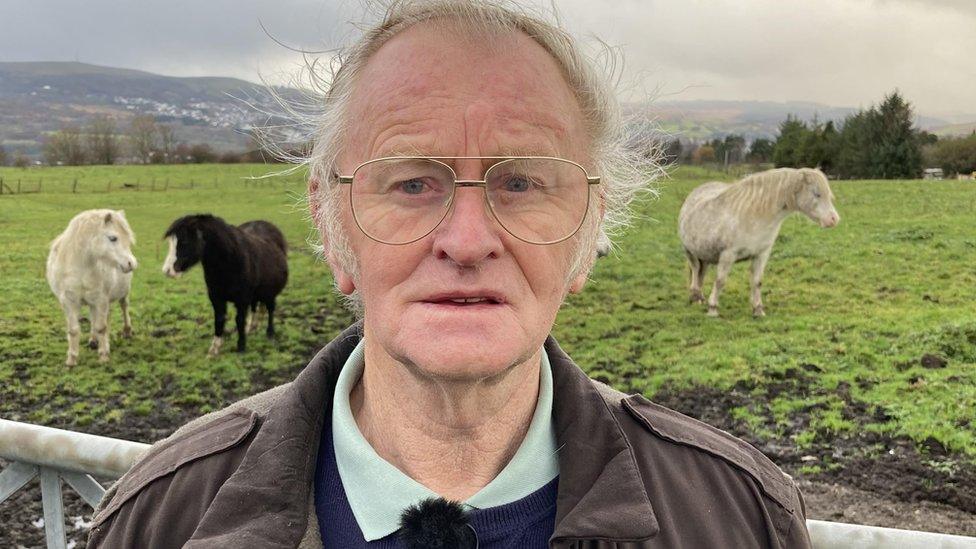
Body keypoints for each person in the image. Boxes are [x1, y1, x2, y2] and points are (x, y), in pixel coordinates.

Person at [89, 1, 812, 547]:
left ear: (591, 230)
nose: (467, 241)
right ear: (332, 227)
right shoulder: (161, 517)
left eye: (524, 183)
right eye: (411, 184)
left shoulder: (739, 516)